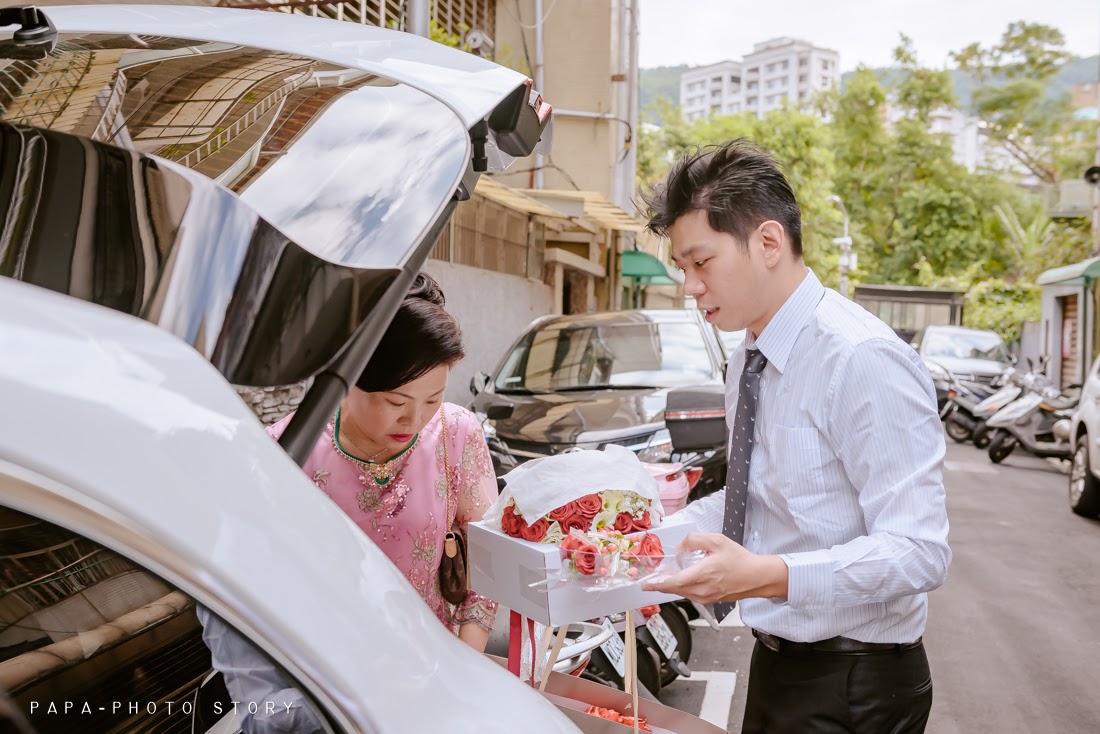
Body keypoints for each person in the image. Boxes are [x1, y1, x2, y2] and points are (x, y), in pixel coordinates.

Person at [642, 140, 951, 733]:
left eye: (700, 262)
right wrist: (636, 541)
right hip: (777, 660)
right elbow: (753, 502)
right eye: (682, 268)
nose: (689, 286)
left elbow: (920, 552)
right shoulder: (749, 360)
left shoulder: (861, 359)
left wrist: (766, 576)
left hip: (856, 682)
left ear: (767, 243)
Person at [199, 273, 499, 734]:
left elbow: (488, 566)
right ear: (347, 378)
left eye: (433, 399)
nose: (414, 419)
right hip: (322, 698)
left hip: (434, 691)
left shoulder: (457, 436)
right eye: (395, 400)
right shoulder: (284, 454)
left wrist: (462, 667)